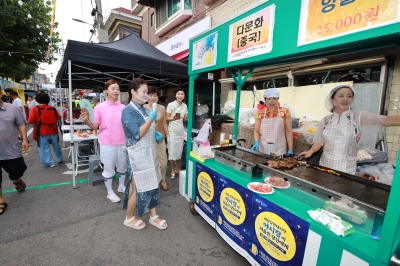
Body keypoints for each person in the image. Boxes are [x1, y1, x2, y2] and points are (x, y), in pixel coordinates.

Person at [300, 84, 400, 174]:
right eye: (341, 96)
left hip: (346, 170)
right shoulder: (326, 120)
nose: (345, 99)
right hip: (325, 166)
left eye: (349, 96)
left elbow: (385, 120)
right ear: (332, 99)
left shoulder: (359, 116)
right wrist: (310, 151)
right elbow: (319, 141)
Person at [121, 78, 167, 230]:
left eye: (147, 92)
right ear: (133, 92)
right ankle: (129, 217)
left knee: (153, 184)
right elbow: (137, 133)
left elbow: (148, 130)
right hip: (137, 155)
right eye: (144, 92)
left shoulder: (144, 109)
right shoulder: (128, 111)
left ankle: (153, 216)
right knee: (138, 187)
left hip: (149, 153)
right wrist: (151, 120)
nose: (147, 95)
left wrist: (156, 135)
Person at [80, 79, 126, 203]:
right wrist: (87, 121)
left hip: (123, 143)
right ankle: (110, 192)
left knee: (123, 167)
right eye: (113, 88)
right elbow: (95, 127)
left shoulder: (124, 107)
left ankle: (121, 186)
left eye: (117, 89)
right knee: (109, 169)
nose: (116, 91)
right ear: (106, 90)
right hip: (107, 144)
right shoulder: (100, 107)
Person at [0, 89, 29, 215]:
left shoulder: (12, 108)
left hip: (11, 148)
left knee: (17, 169)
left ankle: (16, 179)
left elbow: (21, 124)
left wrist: (24, 139)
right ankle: (1, 200)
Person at [251, 88, 294, 156]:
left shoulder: (285, 112)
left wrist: (290, 148)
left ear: (278, 99)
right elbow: (256, 131)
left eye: (274, 98)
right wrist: (257, 141)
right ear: (265, 100)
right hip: (264, 148)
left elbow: (288, 131)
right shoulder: (260, 113)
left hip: (280, 148)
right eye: (269, 99)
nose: (272, 101)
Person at [28, 92, 63, 167]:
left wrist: (35, 128)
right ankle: (59, 158)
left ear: (37, 100)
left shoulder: (35, 108)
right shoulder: (52, 108)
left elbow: (31, 120)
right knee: (56, 145)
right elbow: (58, 118)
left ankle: (50, 162)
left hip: (42, 131)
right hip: (53, 130)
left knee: (44, 147)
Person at [145, 86, 170, 191]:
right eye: (150, 95)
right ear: (146, 96)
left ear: (158, 97)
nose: (152, 98)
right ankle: (152, 182)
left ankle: (162, 180)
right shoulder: (143, 108)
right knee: (150, 163)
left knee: (163, 164)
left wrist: (168, 136)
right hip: (147, 140)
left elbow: (164, 122)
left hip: (160, 140)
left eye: (154, 95)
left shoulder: (162, 108)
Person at [166, 88, 188, 179]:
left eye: (182, 94)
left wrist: (186, 117)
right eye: (178, 94)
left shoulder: (185, 106)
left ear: (184, 96)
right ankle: (172, 168)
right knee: (172, 150)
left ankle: (178, 167)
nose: (180, 95)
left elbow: (185, 119)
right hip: (172, 130)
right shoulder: (170, 105)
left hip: (180, 130)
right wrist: (173, 118)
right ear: (175, 95)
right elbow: (167, 118)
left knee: (179, 149)